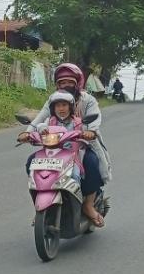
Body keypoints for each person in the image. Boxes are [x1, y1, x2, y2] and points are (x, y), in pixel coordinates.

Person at [22, 90, 106, 227]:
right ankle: (40, 210)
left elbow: (87, 130)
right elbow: (40, 126)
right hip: (51, 156)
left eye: (64, 105)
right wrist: (29, 133)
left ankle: (82, 205)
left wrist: (88, 133)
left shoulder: (78, 122)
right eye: (57, 106)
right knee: (32, 164)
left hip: (71, 156)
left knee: (74, 174)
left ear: (71, 107)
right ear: (53, 109)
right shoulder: (49, 121)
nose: (61, 109)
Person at [23, 61, 112, 184]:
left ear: (77, 83)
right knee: (31, 162)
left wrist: (90, 131)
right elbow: (40, 119)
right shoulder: (53, 100)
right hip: (55, 144)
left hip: (81, 143)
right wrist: (28, 133)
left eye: (70, 82)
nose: (66, 85)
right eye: (63, 83)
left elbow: (95, 119)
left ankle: (89, 201)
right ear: (57, 85)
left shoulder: (88, 100)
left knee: (92, 162)